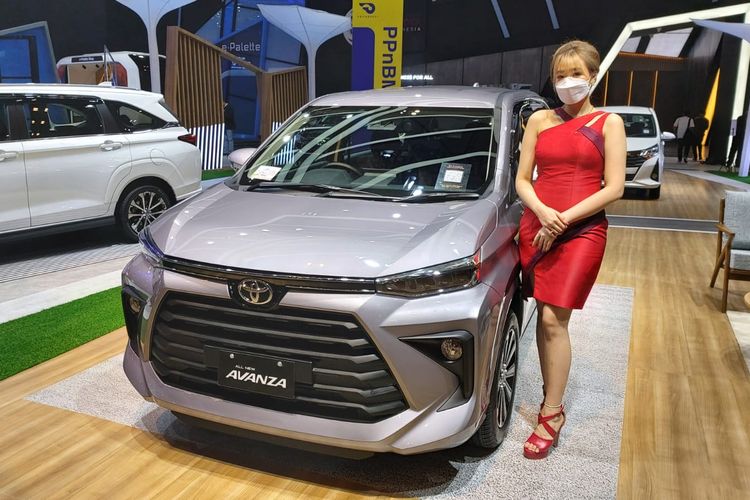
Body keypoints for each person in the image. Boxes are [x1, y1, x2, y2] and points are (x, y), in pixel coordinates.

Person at [515, 40, 626, 460]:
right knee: (545, 315)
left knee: (552, 318)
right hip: (539, 224)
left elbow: (614, 188)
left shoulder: (609, 122)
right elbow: (523, 179)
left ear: (593, 76)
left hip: (582, 230)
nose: (567, 82)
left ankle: (552, 412)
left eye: (576, 74)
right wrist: (544, 213)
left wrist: (562, 219)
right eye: (560, 75)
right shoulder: (539, 120)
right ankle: (551, 396)